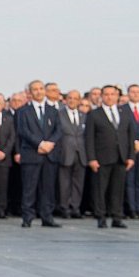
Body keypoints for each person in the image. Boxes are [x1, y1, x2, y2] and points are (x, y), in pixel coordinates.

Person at [85, 84, 135, 228]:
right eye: (106, 94)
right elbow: (89, 138)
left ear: (117, 96)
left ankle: (117, 216)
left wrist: (131, 156)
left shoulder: (125, 113)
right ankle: (101, 216)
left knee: (118, 189)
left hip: (121, 157)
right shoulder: (94, 114)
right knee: (100, 189)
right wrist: (92, 158)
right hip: (102, 157)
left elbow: (130, 136)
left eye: (112, 94)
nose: (109, 97)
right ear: (102, 96)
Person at [16, 79, 62, 228]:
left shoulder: (53, 110)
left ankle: (47, 217)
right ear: (30, 92)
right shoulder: (23, 111)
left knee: (48, 188)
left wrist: (50, 143)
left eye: (41, 88)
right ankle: (27, 217)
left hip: (49, 155)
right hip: (31, 154)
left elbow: (58, 130)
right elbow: (23, 131)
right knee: (29, 188)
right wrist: (40, 144)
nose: (39, 91)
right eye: (35, 89)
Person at [54, 89, 88, 218]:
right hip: (65, 152)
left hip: (81, 154)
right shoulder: (59, 114)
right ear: (66, 100)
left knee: (78, 183)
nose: (72, 100)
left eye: (75, 98)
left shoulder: (84, 115)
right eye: (70, 98)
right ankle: (64, 207)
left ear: (79, 101)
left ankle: (75, 207)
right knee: (64, 183)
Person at [0, 93, 17, 219]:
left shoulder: (9, 119)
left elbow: (12, 138)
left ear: (3, 105)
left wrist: (5, 152)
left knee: (2, 185)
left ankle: (1, 209)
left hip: (4, 158)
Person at [124, 83, 139, 218]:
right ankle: (131, 209)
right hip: (129, 149)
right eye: (132, 91)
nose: (135, 94)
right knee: (130, 180)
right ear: (128, 94)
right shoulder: (122, 109)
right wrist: (133, 143)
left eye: (138, 92)